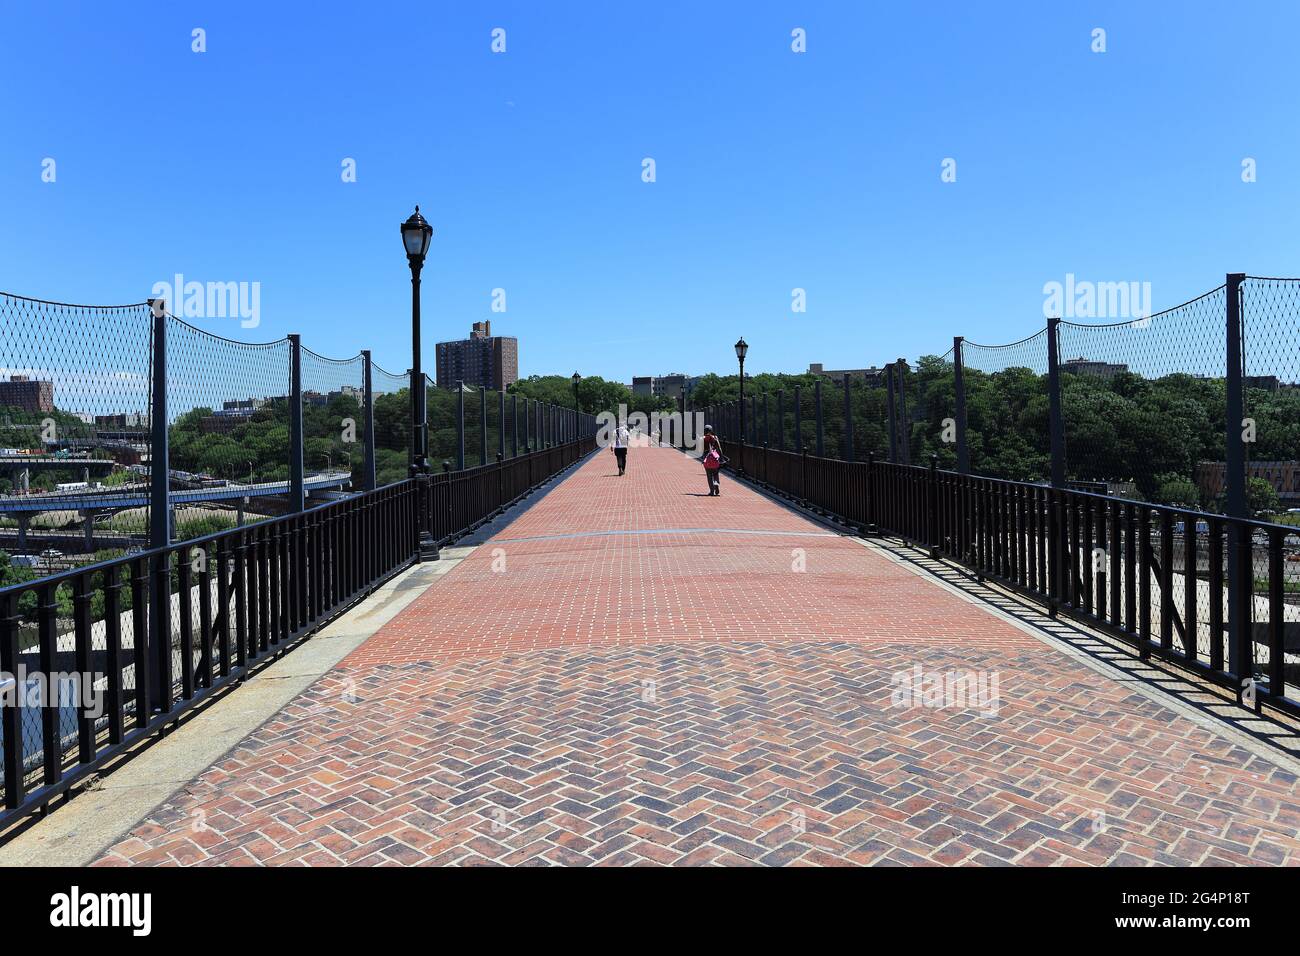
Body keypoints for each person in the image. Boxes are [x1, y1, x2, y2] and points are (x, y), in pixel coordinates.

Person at [701, 425, 722, 496]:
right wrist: (721, 457)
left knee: (709, 475)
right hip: (715, 458)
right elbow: (719, 448)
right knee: (716, 472)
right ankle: (716, 483)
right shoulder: (715, 437)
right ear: (711, 430)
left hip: (707, 459)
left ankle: (712, 491)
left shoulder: (703, 438)